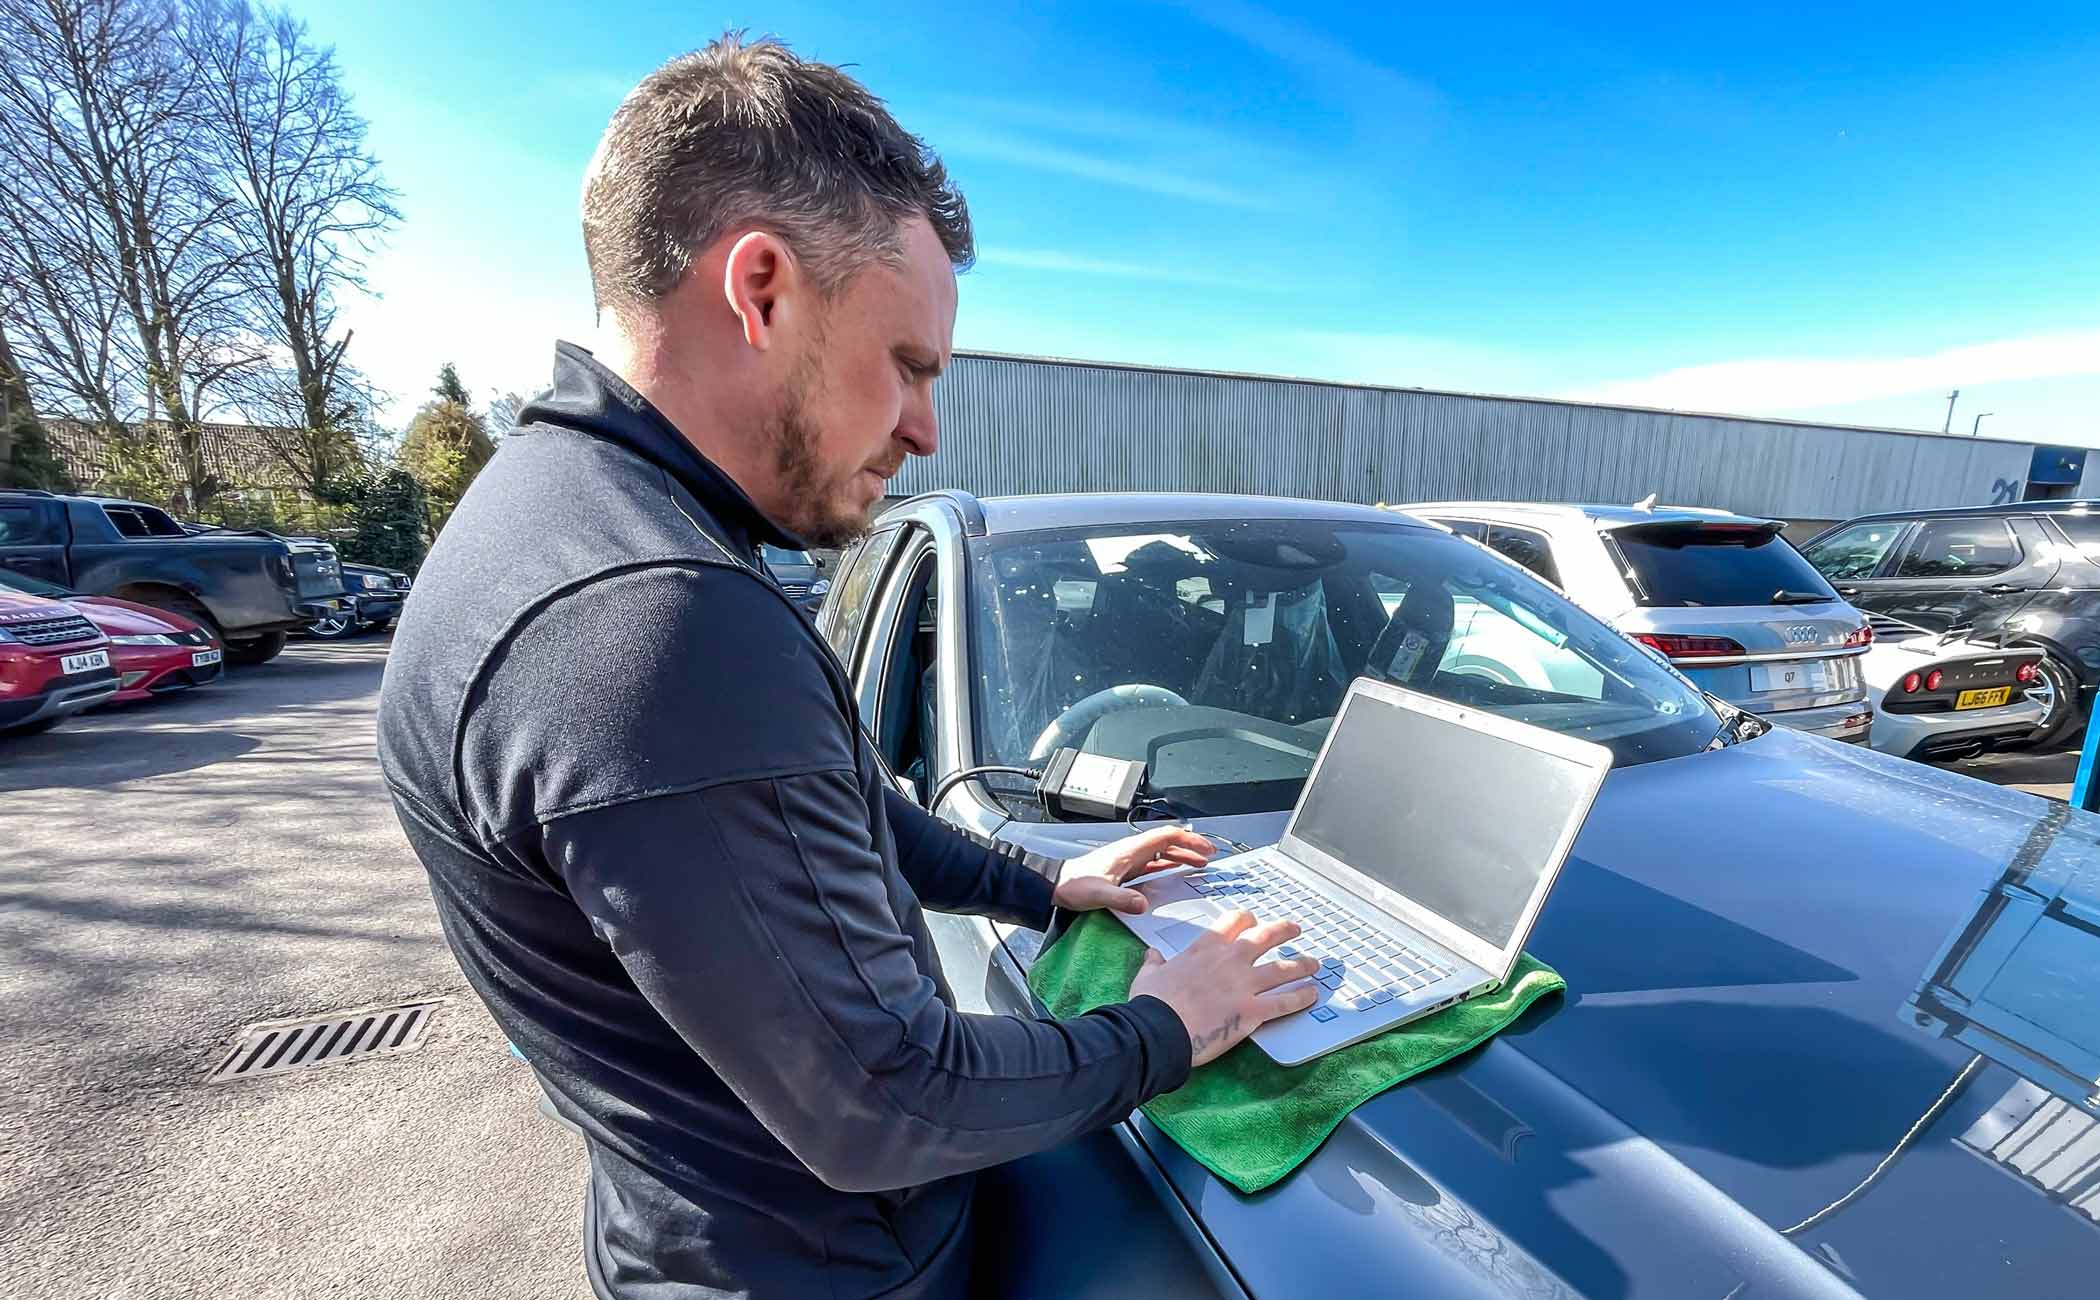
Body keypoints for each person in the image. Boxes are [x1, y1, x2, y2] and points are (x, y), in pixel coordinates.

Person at [376, 34, 1318, 1300]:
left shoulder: (563, 519)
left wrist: (1048, 885)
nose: (928, 426)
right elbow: (887, 1102)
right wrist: (1172, 1023)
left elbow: (835, 807)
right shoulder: (651, 620)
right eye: (910, 366)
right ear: (760, 288)